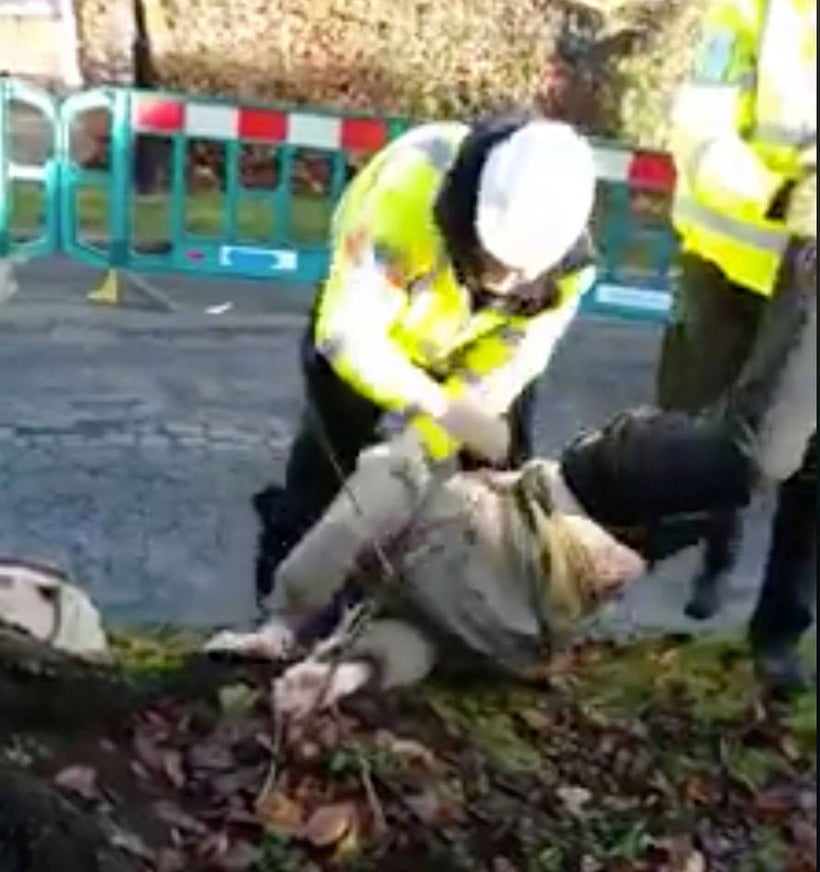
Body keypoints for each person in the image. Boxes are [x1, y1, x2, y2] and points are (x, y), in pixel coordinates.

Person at [208, 401, 763, 718]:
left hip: (442, 542)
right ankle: (352, 670)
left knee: (394, 467)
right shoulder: (634, 550)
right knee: (424, 639)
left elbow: (484, 439)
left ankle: (283, 624)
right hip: (505, 632)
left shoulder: (590, 473)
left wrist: (440, 412)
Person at [253, 112, 599, 612]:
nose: (503, 283)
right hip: (383, 327)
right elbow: (347, 337)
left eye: (521, 274)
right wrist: (430, 403)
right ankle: (280, 607)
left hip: (477, 347)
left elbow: (504, 373)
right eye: (494, 261)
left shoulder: (571, 270)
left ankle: (487, 607)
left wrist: (424, 443)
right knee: (326, 460)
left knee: (499, 478)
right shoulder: (403, 201)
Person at [656, 0, 816, 694]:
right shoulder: (754, 10)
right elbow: (699, 128)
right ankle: (712, 546)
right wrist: (782, 193)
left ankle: (781, 632)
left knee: (812, 455)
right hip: (726, 260)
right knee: (700, 433)